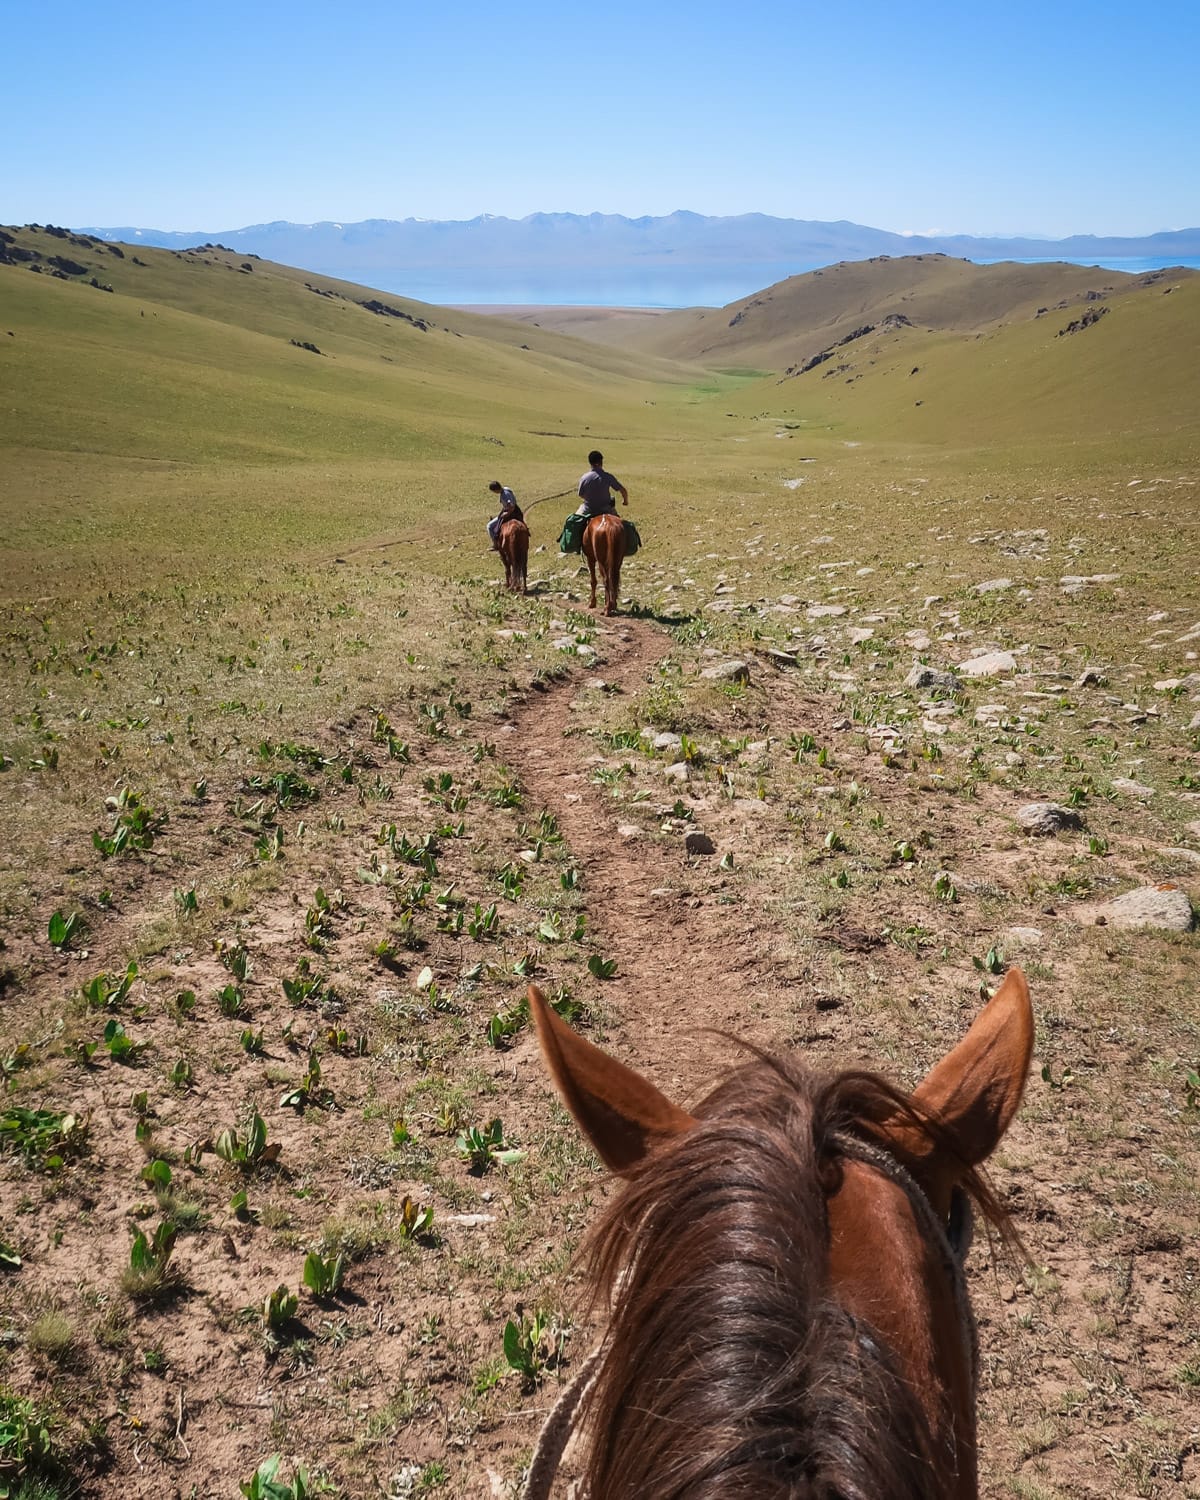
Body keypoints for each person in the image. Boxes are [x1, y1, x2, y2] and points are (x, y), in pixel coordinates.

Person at [576, 451, 629, 517]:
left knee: (574, 521)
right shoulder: (608, 476)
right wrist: (625, 501)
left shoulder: (584, 477)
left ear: (590, 462)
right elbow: (623, 490)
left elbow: (580, 494)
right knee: (620, 523)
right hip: (606, 509)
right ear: (601, 462)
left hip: (588, 508)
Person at [487, 481, 523, 549]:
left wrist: (506, 514)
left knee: (489, 526)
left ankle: (495, 545)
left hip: (510, 512)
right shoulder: (506, 489)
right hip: (517, 512)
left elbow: (511, 506)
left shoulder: (505, 495)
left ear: (495, 490)